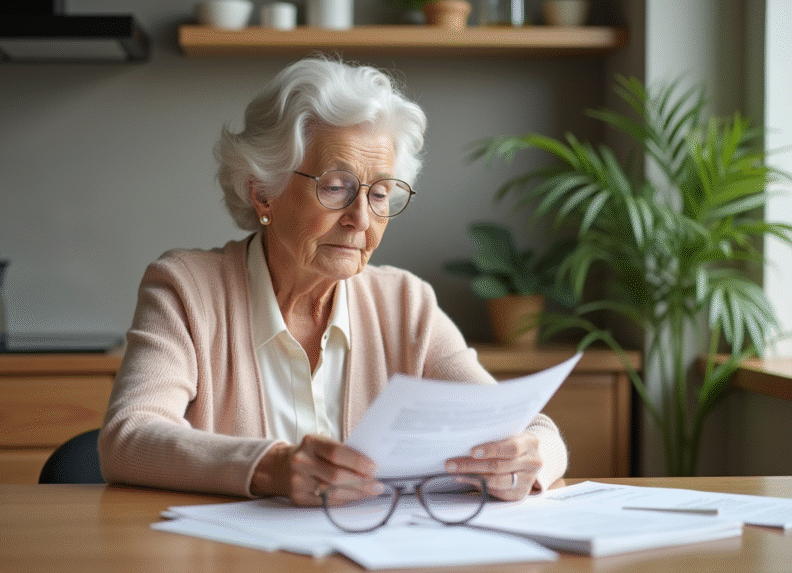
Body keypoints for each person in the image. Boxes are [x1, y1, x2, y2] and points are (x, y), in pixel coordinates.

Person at [98, 57, 567, 506]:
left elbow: (525, 427)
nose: (360, 219)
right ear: (263, 191)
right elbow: (129, 435)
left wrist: (529, 459)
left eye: (380, 193)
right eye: (336, 186)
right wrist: (271, 468)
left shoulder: (405, 303)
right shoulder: (186, 289)